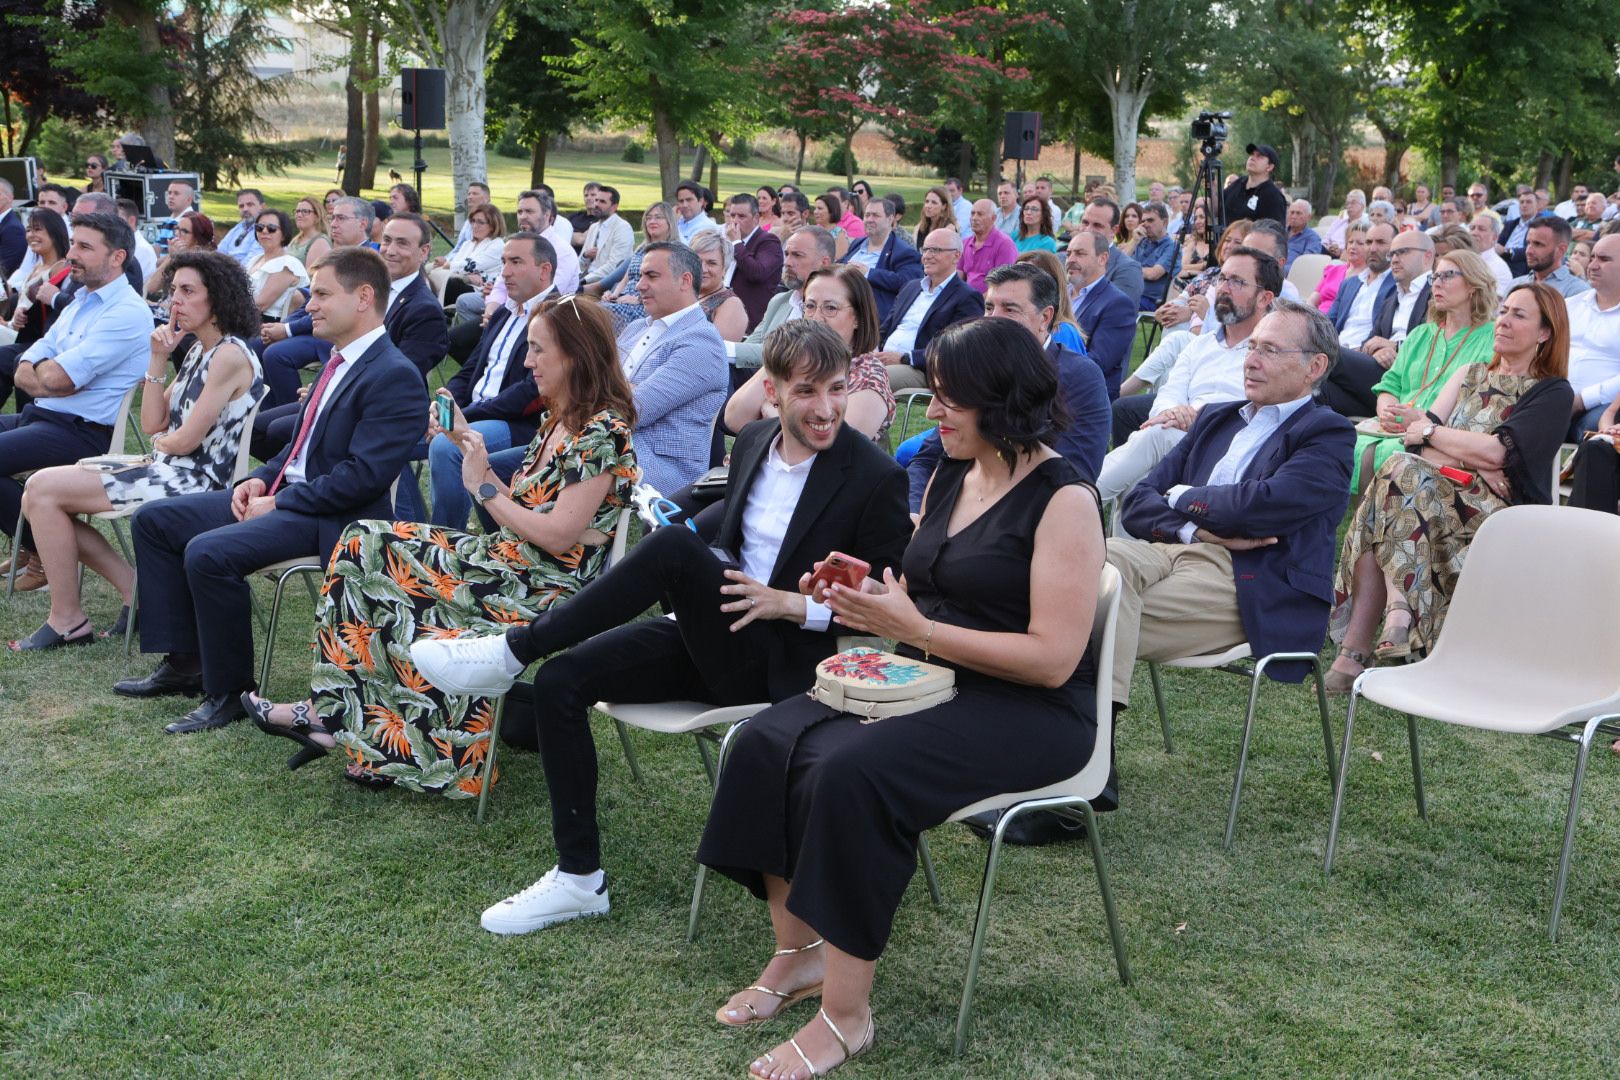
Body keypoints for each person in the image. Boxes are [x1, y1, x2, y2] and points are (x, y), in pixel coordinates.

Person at [684, 317, 1102, 1078]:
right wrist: (863, 585)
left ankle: (846, 1017)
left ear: (999, 402)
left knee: (852, 774)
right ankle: (800, 952)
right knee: (766, 742)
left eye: (948, 400)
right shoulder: (954, 470)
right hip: (929, 678)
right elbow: (933, 577)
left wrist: (917, 629)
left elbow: (1053, 660)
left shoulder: (1065, 500)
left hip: (1032, 711)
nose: (930, 413)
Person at [408, 319, 912, 938]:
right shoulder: (754, 441)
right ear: (772, 392)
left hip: (783, 658)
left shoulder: (875, 477)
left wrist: (790, 604)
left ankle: (513, 649)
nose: (827, 408)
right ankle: (578, 879)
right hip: (712, 629)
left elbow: (887, 612)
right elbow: (726, 535)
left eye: (836, 389)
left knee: (672, 549)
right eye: (807, 392)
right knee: (564, 679)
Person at [245, 295, 640, 792]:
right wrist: (467, 444)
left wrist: (484, 487)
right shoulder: (560, 420)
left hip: (544, 586)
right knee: (363, 541)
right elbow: (525, 508)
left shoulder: (602, 431)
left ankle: (351, 726)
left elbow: (559, 535)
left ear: (576, 356)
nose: (527, 361)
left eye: (538, 350)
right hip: (512, 562)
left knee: (379, 565)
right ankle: (351, 724)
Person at [116, 247, 428, 735]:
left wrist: (279, 499)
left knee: (208, 552)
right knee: (156, 520)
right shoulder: (340, 360)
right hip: (292, 498)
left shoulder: (394, 375)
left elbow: (361, 477)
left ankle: (228, 692)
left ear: (364, 297)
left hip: (332, 517)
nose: (310, 307)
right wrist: (261, 478)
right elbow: (302, 444)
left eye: (323, 294)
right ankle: (185, 662)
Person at [10, 251, 264, 650]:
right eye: (173, 290)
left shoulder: (229, 355)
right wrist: (159, 357)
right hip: (167, 467)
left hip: (196, 480)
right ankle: (124, 593)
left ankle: (72, 618)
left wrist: (164, 443)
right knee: (38, 495)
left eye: (186, 291)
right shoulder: (200, 349)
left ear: (217, 298)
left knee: (41, 491)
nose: (174, 300)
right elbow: (152, 424)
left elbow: (183, 440)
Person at [1107, 299, 1352, 709]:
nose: (1250, 361)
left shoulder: (1328, 433)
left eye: (1269, 350)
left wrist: (1180, 495)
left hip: (1249, 580)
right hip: (1172, 549)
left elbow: (1257, 507)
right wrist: (1195, 529)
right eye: (1251, 347)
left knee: (1091, 605)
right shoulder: (1217, 418)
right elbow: (1136, 503)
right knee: (1098, 560)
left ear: (1314, 368)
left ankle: (1095, 752)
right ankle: (1090, 754)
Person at [1326, 283, 1572, 689]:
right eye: (1503, 310)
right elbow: (1415, 440)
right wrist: (1461, 452)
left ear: (1545, 333)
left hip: (1496, 512)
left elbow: (1494, 455)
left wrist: (1438, 438)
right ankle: (1395, 615)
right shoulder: (1470, 374)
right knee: (1401, 472)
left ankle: (1361, 646)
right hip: (1429, 489)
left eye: (1519, 315)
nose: (1503, 321)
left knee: (1394, 484)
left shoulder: (1552, 392)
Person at [1, 213, 150, 581]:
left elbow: (58, 375)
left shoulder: (126, 313)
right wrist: (51, 379)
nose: (71, 254)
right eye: (73, 244)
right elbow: (28, 365)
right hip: (43, 417)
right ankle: (37, 549)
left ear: (117, 257)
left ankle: (41, 552)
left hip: (80, 432)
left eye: (84, 247)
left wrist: (53, 377)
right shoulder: (83, 300)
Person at [903, 260, 1110, 511]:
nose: (993, 318)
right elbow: (927, 459)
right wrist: (916, 514)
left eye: (1009, 309)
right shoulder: (977, 366)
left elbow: (1075, 474)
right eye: (989, 307)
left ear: (1045, 317)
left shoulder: (1079, 376)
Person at [1096, 247, 1280, 503]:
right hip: (1179, 432)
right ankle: (1113, 542)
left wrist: (1197, 417)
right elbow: (1169, 393)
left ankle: (1076, 501)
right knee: (1141, 473)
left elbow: (1254, 409)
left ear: (1264, 298)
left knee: (1153, 437)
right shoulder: (1200, 345)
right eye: (1222, 278)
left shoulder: (1271, 353)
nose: (1224, 288)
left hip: (1230, 446)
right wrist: (1173, 411)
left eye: (1237, 281)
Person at [426, 232, 560, 528]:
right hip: (478, 414)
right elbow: (468, 371)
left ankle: (445, 539)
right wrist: (444, 409)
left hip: (518, 424)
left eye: (515, 262)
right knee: (399, 427)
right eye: (503, 262)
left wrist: (460, 420)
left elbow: (531, 393)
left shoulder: (557, 316)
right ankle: (409, 524)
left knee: (447, 446)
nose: (505, 272)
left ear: (544, 269)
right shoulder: (504, 314)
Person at [1336, 248, 1499, 489]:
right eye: (1435, 277)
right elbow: (1389, 385)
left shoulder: (1492, 337)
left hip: (1446, 432)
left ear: (1473, 285)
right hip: (1398, 427)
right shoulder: (1421, 334)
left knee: (1384, 450)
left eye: (1447, 276)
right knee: (1360, 444)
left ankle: (1374, 521)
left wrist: (1419, 422)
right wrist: (1388, 413)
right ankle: (1367, 521)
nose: (1437, 284)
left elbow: (1479, 403)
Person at [726, 265, 895, 442]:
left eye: (830, 308)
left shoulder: (868, 375)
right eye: (810, 306)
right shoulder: (793, 357)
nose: (816, 317)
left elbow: (835, 447)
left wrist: (772, 413)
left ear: (858, 318)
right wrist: (784, 354)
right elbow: (735, 419)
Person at [615, 242, 729, 495]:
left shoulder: (702, 342)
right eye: (640, 275)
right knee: (513, 468)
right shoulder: (636, 328)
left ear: (685, 281)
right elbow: (586, 383)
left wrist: (607, 386)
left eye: (651, 276)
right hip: (603, 451)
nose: (639, 285)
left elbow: (633, 410)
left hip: (656, 471)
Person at [874, 229, 983, 391]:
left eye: (936, 250)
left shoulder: (967, 297)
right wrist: (872, 349)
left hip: (923, 369)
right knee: (841, 371)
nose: (927, 256)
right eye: (925, 250)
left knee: (870, 380)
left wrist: (905, 358)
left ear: (956, 256)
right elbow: (885, 329)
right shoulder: (911, 287)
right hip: (883, 359)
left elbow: (955, 349)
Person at [730, 226, 834, 373]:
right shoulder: (780, 301)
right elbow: (751, 345)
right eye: (787, 254)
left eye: (797, 255)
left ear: (825, 263)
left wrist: (719, 349)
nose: (787, 262)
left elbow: (793, 355)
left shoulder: (833, 308)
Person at [1563, 234, 1620, 439]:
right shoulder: (1570, 305)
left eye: (1604, 259)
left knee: (1597, 435)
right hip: (1557, 398)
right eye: (1593, 257)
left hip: (1606, 406)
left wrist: (1583, 400)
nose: (1592, 265)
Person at [1067, 232, 1136, 399]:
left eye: (1080, 253)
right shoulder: (1060, 294)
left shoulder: (1118, 304)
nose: (1071, 259)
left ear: (1103, 258)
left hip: (1084, 399)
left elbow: (1096, 364)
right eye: (1069, 253)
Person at [838, 196, 923, 319]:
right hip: (841, 304)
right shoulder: (858, 243)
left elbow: (909, 281)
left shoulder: (903, 252)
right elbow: (842, 263)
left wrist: (868, 273)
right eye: (867, 215)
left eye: (875, 215)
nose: (869, 220)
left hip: (870, 314)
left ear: (890, 219)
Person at [595, 200, 674, 327]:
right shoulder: (641, 248)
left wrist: (638, 300)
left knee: (597, 314)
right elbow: (626, 279)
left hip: (645, 306)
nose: (652, 221)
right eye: (648, 218)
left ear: (669, 222)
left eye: (658, 217)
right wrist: (613, 295)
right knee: (590, 310)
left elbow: (668, 287)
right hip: (623, 300)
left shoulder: (672, 251)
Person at [723, 193, 785, 332]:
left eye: (742, 216)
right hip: (727, 312)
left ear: (756, 218)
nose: (735, 221)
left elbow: (757, 273)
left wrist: (736, 243)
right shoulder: (728, 241)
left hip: (752, 323)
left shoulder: (768, 241)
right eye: (732, 216)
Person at [1073, 198, 1144, 308]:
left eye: (1097, 225)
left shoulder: (1127, 269)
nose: (1088, 229)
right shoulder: (1064, 260)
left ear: (1114, 230)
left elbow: (1118, 313)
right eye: (1085, 222)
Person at [242, 208, 309, 321]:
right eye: (259, 227)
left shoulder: (287, 264)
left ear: (283, 234)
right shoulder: (255, 260)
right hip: (244, 317)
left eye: (271, 228)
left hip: (266, 325)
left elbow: (261, 305)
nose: (264, 231)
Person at [433, 202, 504, 304]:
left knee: (452, 282)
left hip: (481, 290)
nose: (475, 226)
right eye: (473, 221)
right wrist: (467, 275)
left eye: (480, 222)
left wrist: (449, 265)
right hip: (466, 282)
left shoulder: (497, 244)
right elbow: (461, 266)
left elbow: (471, 265)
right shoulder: (468, 244)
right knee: (433, 273)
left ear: (492, 225)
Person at [689, 230, 750, 343]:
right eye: (697, 261)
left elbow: (716, 351)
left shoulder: (731, 304)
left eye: (711, 263)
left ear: (724, 268)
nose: (702, 269)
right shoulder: (688, 295)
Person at [1511, 215, 1592, 298]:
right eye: (1528, 243)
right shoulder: (1515, 284)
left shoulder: (1577, 291)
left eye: (1538, 244)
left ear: (1561, 250)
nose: (1528, 251)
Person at [145, 213, 215, 301]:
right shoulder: (177, 256)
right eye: (176, 229)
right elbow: (150, 288)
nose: (177, 234)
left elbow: (190, 304)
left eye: (184, 231)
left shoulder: (204, 265)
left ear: (198, 239)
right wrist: (171, 257)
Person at [579, 185, 634, 286]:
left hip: (605, 285)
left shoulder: (622, 228)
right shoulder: (594, 227)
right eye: (596, 200)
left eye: (602, 202)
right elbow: (580, 264)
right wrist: (585, 256)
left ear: (614, 207)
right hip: (585, 279)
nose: (596, 204)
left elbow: (614, 267)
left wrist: (583, 281)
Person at [1222, 144, 1288, 226]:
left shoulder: (1273, 196)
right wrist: (1212, 186)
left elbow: (1274, 233)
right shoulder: (1238, 183)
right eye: (1252, 154)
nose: (1252, 158)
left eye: (1259, 156)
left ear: (1270, 167)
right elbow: (1216, 207)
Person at [1310, 223, 1365, 315]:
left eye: (1360, 243)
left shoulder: (1368, 276)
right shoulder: (1332, 270)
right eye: (1350, 242)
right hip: (1317, 320)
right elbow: (1311, 301)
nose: (1353, 246)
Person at [1133, 202, 1178, 310]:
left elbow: (1153, 274)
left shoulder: (1171, 247)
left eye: (1150, 220)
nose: (1145, 224)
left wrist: (1128, 268)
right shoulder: (1140, 241)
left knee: (1113, 302)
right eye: (1143, 221)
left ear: (1165, 222)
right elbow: (1117, 264)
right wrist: (1133, 242)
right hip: (1132, 293)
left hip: (1151, 300)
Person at [217, 189, 266, 268]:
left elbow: (251, 263)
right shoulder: (238, 227)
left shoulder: (267, 231)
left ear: (262, 207)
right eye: (241, 206)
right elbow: (219, 253)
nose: (245, 209)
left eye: (250, 204)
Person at [287, 197, 333, 268]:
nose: (299, 215)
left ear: (317, 216)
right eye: (297, 211)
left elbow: (309, 276)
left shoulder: (320, 242)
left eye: (305, 211)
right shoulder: (297, 239)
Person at [1321, 189, 1369, 256]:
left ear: (1362, 206)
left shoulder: (1365, 224)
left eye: (1353, 203)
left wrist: (1341, 251)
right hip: (1327, 252)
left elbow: (1359, 245)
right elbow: (1325, 240)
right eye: (1347, 203)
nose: (1349, 206)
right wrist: (1330, 248)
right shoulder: (1340, 221)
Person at [674, 181, 722, 245]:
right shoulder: (678, 221)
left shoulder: (708, 227)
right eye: (681, 201)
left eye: (689, 200)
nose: (685, 205)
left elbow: (688, 252)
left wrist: (673, 225)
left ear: (701, 201)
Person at [1176, 203, 1212, 286]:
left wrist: (1190, 271)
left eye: (1201, 217)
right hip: (1191, 284)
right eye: (1195, 218)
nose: (1197, 221)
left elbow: (1214, 268)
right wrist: (1202, 266)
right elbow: (1182, 266)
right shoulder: (1193, 243)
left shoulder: (1217, 243)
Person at [912, 186, 955, 251]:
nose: (928, 206)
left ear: (944, 206)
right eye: (927, 201)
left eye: (934, 202)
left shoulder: (948, 229)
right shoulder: (920, 226)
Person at [1285, 199, 1324, 269]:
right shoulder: (1279, 232)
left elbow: (1305, 265)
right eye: (1292, 212)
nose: (1294, 216)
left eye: (1298, 213)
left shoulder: (1313, 239)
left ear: (1309, 217)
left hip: (1292, 275)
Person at [812, 194, 851, 261]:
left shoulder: (839, 234)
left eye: (820, 208)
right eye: (815, 208)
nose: (815, 212)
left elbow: (840, 262)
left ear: (831, 211)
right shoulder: (814, 231)